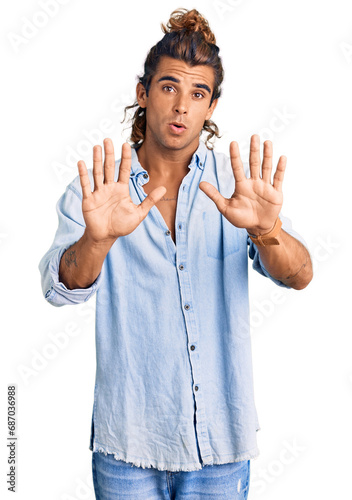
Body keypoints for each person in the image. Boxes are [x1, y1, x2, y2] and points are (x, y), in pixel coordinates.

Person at [39, 8, 313, 500]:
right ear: (143, 93)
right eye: (168, 87)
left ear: (210, 107)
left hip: (220, 449)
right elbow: (60, 290)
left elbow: (300, 275)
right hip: (128, 447)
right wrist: (97, 240)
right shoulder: (103, 190)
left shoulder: (236, 185)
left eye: (197, 93)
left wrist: (267, 229)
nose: (181, 106)